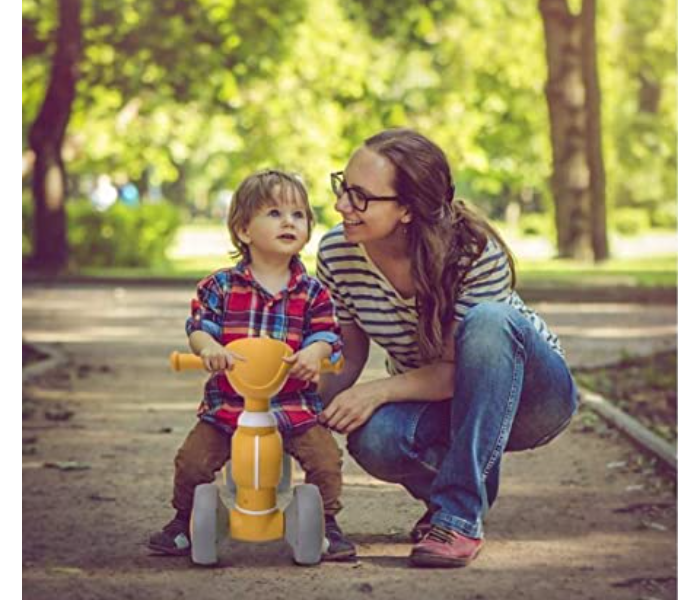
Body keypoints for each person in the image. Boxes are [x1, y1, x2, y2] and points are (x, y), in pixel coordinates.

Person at [316, 129, 578, 568]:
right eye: (343, 188)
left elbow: (459, 370)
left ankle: (458, 515)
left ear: (406, 210)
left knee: (489, 321)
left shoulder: (474, 253)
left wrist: (376, 391)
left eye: (360, 197)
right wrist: (293, 409)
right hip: (437, 398)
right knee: (374, 437)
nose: (342, 205)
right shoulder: (338, 252)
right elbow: (347, 354)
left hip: (531, 397)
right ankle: (455, 501)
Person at [148, 169, 356, 561]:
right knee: (192, 461)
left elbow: (327, 333)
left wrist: (315, 352)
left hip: (292, 406)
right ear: (244, 230)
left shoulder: (313, 292)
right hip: (229, 406)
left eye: (298, 215)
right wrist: (208, 346)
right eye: (275, 213)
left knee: (326, 460)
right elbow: (199, 326)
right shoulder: (220, 287)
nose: (289, 222)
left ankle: (326, 523)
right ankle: (184, 521)